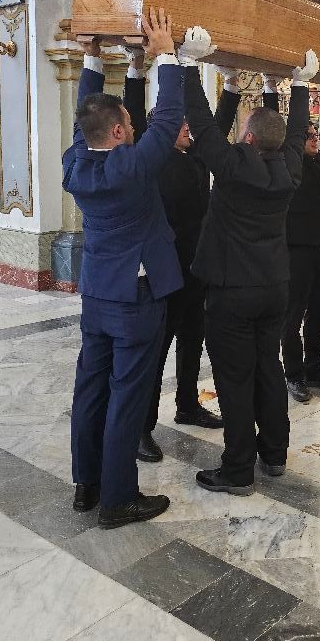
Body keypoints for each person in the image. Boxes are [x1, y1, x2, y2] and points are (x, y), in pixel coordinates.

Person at [180, 30, 315, 495]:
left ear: (249, 134)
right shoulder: (290, 168)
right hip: (273, 287)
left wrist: (187, 62)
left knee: (235, 380)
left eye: (241, 129)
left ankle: (238, 469)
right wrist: (294, 85)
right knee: (268, 369)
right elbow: (295, 133)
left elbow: (200, 123)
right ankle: (274, 454)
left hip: (232, 292)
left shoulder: (236, 165)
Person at [63, 8, 183, 529]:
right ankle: (117, 499)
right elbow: (170, 117)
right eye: (129, 123)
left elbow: (82, 117)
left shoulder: (76, 162)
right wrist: (166, 54)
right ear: (116, 131)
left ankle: (86, 485)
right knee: (127, 396)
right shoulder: (131, 165)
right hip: (135, 300)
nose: (136, 125)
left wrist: (92, 57)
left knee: (90, 388)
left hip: (97, 296)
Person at [122, 43, 223, 466]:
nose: (187, 128)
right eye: (180, 124)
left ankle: (186, 403)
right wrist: (135, 70)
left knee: (192, 340)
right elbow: (135, 110)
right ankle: (142, 428)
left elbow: (218, 125)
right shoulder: (153, 152)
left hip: (197, 266)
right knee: (156, 349)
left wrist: (229, 89)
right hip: (166, 269)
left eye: (186, 124)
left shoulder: (195, 154)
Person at [226, 76, 320, 403]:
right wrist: (270, 88)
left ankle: (314, 366)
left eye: (316, 133)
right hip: (296, 250)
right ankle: (293, 375)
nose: (313, 137)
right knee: (293, 316)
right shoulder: (288, 163)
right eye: (307, 134)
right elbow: (274, 128)